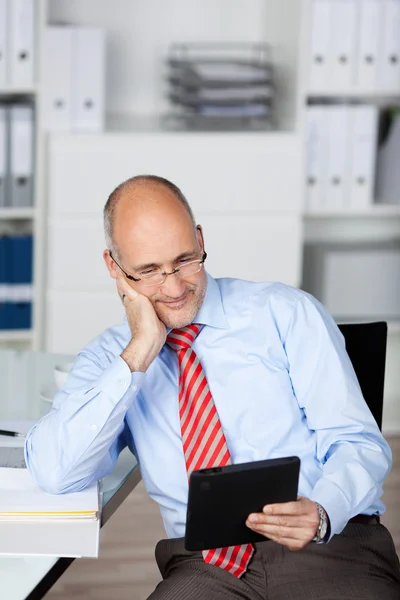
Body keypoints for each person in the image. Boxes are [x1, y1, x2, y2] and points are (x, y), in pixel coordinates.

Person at [26, 175, 400, 599]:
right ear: (115, 268)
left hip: (330, 547)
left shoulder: (285, 313)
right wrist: (140, 354)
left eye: (185, 260)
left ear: (200, 239)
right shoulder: (111, 359)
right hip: (206, 568)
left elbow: (361, 444)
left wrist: (323, 512)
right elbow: (57, 472)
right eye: (149, 271)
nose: (174, 286)